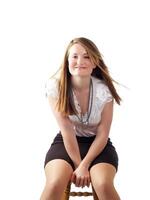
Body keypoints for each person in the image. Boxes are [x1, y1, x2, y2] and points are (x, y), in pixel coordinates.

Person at [40, 37, 121, 200]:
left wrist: (85, 165)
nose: (80, 61)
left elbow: (103, 134)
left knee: (103, 184)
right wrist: (79, 166)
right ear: (67, 60)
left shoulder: (104, 90)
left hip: (98, 145)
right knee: (54, 183)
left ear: (95, 62)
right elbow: (67, 130)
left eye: (86, 56)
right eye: (74, 56)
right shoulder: (55, 87)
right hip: (66, 142)